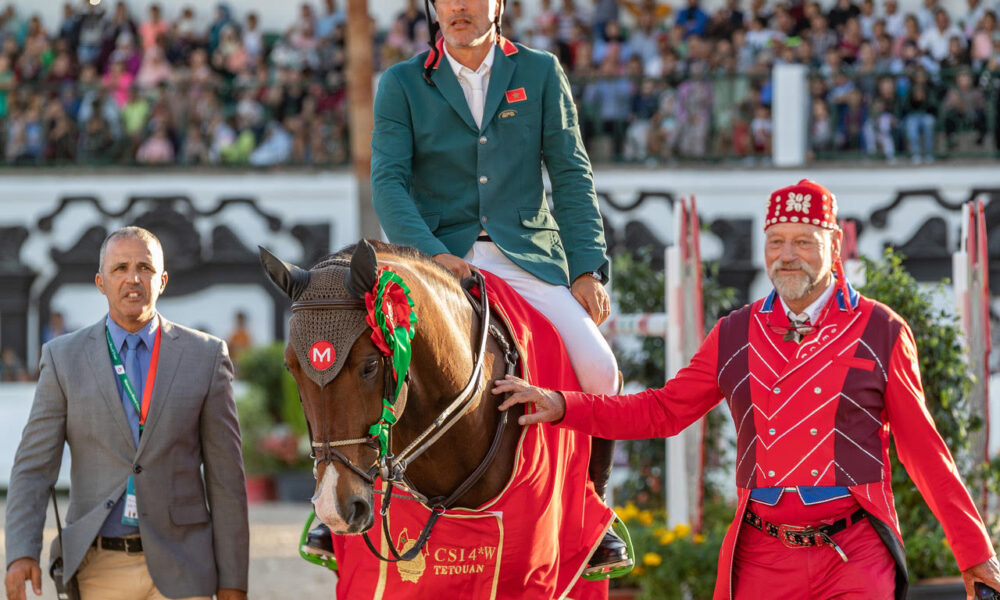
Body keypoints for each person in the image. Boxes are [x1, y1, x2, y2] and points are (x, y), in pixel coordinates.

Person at [494, 179, 1000, 600]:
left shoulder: (881, 329)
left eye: (804, 241)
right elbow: (663, 411)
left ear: (835, 245)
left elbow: (924, 451)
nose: (787, 256)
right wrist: (563, 404)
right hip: (761, 553)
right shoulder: (735, 332)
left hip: (855, 554)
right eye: (776, 241)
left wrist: (974, 552)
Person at [364, 0, 626, 574]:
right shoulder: (402, 82)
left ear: (499, 4)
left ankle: (594, 509)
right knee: (365, 356)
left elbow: (571, 173)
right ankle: (332, 513)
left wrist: (587, 268)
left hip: (527, 256)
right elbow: (388, 182)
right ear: (433, 9)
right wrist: (432, 256)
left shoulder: (539, 70)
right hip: (436, 256)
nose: (459, 6)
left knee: (601, 369)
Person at [5, 226, 249, 600]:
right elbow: (33, 467)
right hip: (101, 568)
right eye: (120, 268)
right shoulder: (62, 357)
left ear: (163, 280)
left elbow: (226, 479)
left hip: (185, 566)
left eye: (145, 268)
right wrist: (21, 551)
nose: (133, 278)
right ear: (101, 282)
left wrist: (233, 581)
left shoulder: (206, 356)